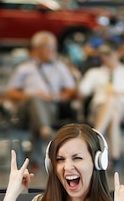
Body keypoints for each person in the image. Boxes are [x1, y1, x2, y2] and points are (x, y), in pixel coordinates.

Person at [6, 31, 77, 167]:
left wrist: (56, 96)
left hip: (51, 107)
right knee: (35, 101)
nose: (52, 50)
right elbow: (11, 93)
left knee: (38, 113)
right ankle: (45, 132)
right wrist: (30, 96)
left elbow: (71, 91)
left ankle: (39, 146)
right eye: (48, 46)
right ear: (37, 49)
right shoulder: (24, 68)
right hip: (25, 108)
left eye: (54, 46)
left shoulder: (60, 68)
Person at [78, 40, 124, 171]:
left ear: (118, 53)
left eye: (108, 54)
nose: (105, 57)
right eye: (102, 54)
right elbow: (82, 93)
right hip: (98, 109)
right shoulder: (94, 73)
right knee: (113, 115)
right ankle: (114, 159)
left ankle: (94, 138)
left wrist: (119, 92)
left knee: (113, 101)